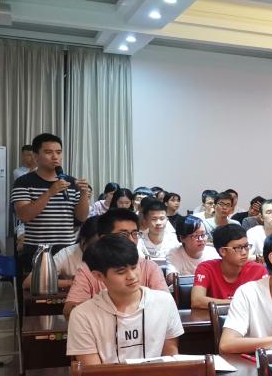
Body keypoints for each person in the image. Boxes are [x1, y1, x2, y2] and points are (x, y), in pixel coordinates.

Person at [66, 236, 183, 364]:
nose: (132, 276)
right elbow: (93, 371)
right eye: (121, 272)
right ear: (98, 276)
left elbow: (171, 357)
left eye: (134, 267)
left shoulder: (164, 302)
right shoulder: (82, 315)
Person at [63, 209, 170, 318]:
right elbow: (70, 310)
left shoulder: (150, 267)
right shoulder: (89, 270)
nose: (131, 240)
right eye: (123, 234)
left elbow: (166, 306)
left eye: (135, 233)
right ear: (104, 238)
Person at [11, 133, 91, 276]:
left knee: (69, 288)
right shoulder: (23, 182)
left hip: (67, 250)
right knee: (39, 288)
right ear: (36, 156)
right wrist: (50, 192)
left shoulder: (71, 182)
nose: (55, 157)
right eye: (48, 152)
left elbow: (81, 218)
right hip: (37, 249)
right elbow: (24, 216)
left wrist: (84, 194)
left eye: (58, 152)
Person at [191, 223, 267, 309]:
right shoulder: (206, 268)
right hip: (217, 317)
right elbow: (197, 300)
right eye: (238, 248)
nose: (244, 252)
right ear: (223, 251)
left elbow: (267, 301)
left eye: (246, 246)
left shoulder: (258, 270)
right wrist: (238, 303)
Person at [25, 216, 99, 290]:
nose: (101, 250)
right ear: (83, 240)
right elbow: (29, 282)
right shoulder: (67, 254)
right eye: (96, 245)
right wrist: (70, 282)